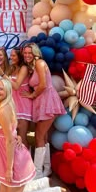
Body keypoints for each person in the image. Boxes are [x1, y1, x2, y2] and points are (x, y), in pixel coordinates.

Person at [0, 78, 66, 192]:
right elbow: (14, 127)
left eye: (0, 89)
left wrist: (9, 169)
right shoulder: (3, 105)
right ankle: (41, 183)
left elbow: (9, 141)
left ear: (8, 91)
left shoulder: (3, 110)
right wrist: (18, 136)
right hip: (5, 154)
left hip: (13, 158)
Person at [22, 43, 66, 179]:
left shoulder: (40, 63)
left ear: (36, 53)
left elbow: (43, 85)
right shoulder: (33, 66)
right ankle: (47, 169)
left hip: (47, 100)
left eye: (30, 53)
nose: (27, 55)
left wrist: (32, 95)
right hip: (41, 102)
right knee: (44, 136)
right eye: (25, 53)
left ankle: (38, 172)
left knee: (38, 136)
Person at [1, 47, 32, 148]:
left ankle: (27, 162)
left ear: (20, 56)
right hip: (12, 104)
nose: (11, 57)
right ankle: (16, 161)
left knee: (22, 137)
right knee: (13, 136)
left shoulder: (24, 68)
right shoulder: (12, 68)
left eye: (13, 55)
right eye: (11, 55)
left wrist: (3, 75)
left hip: (22, 103)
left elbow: (16, 86)